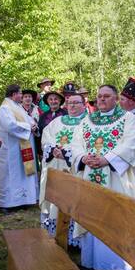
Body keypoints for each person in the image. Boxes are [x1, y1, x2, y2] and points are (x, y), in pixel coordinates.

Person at [71, 84, 135, 270]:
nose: (102, 100)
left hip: (116, 178)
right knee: (92, 213)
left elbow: (131, 144)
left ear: (115, 99)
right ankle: (92, 261)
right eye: (99, 96)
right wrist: (83, 158)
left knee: (117, 217)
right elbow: (76, 143)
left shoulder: (127, 118)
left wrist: (107, 159)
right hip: (90, 176)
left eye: (106, 96)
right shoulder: (87, 119)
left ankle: (119, 264)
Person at [39, 94, 87, 246]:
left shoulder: (88, 123)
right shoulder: (57, 121)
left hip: (73, 170)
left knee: (73, 200)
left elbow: (86, 145)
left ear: (83, 105)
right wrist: (53, 149)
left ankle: (74, 239)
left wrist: (66, 153)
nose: (72, 106)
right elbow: (46, 137)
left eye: (76, 103)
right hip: (56, 166)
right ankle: (54, 233)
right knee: (56, 200)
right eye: (70, 103)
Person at [0, 84, 39, 210]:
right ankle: (8, 204)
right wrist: (28, 127)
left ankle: (23, 200)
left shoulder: (17, 106)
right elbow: (10, 125)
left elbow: (28, 119)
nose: (22, 96)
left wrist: (34, 125)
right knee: (10, 175)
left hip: (21, 147)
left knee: (22, 174)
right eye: (20, 93)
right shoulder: (5, 108)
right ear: (14, 94)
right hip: (11, 149)